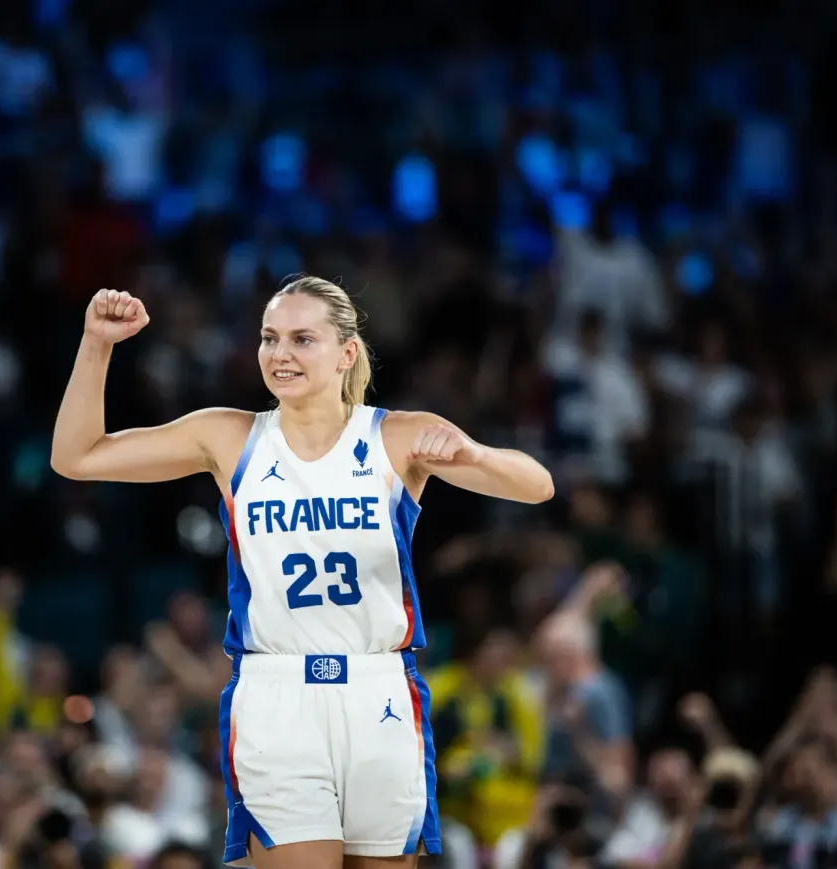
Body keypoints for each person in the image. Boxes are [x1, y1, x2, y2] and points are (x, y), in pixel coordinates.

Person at [50, 278, 555, 869]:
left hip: (380, 690)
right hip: (277, 693)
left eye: (301, 339)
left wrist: (475, 455)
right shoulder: (229, 435)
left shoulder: (395, 435)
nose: (280, 353)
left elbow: (538, 486)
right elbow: (76, 456)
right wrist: (97, 344)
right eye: (269, 338)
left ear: (346, 352)